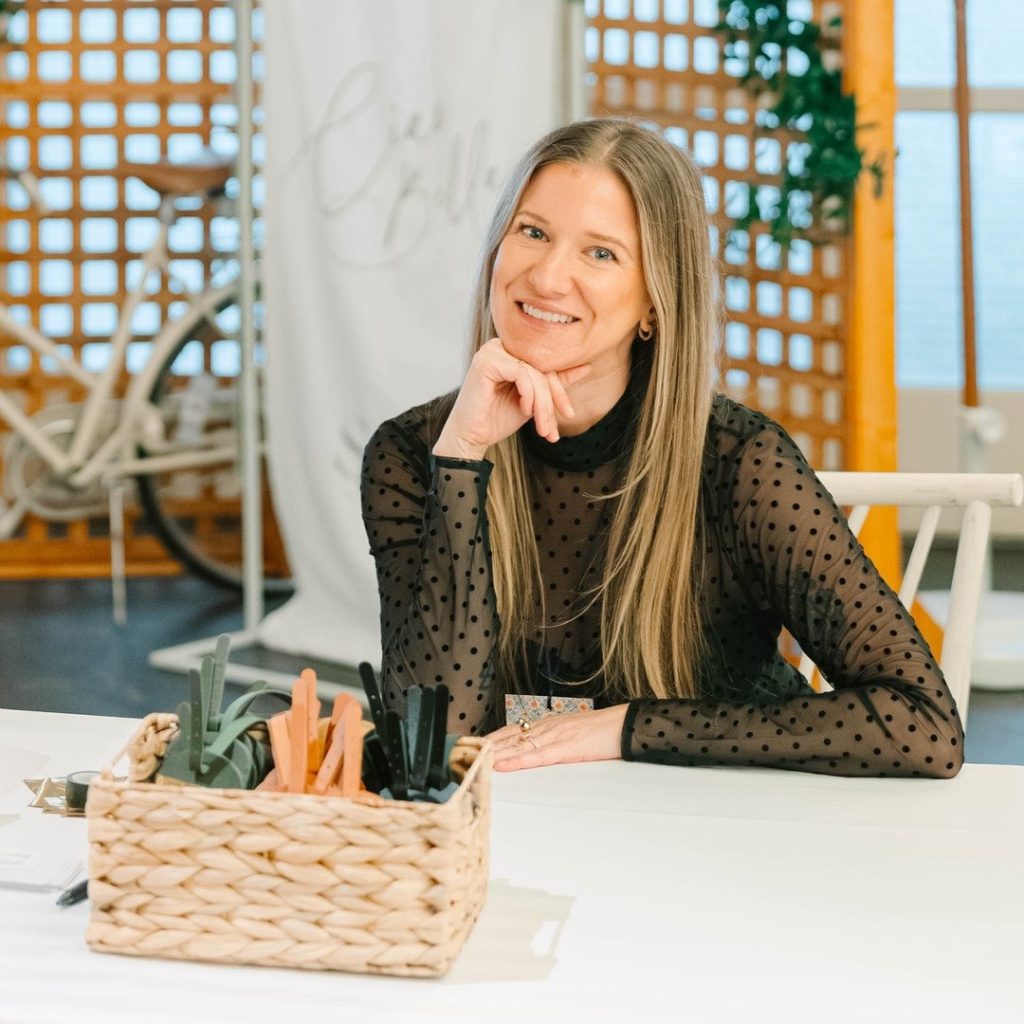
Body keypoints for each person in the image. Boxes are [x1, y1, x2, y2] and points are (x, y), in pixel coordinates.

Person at [360, 118, 963, 779]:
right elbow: (434, 742)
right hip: (537, 832)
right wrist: (464, 458)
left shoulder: (739, 463)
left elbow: (922, 726)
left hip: (725, 828)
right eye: (533, 232)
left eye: (601, 254)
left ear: (653, 303)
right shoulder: (416, 453)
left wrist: (625, 728)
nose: (549, 277)